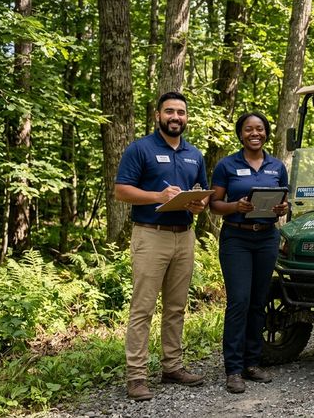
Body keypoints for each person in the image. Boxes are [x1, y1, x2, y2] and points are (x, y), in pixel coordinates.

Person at [115, 91, 209, 401]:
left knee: (176, 307)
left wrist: (198, 204)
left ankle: (172, 367)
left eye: (181, 112)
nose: (175, 117)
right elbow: (121, 191)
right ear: (158, 115)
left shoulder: (194, 154)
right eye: (169, 111)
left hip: (184, 235)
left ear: (186, 118)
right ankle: (137, 376)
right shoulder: (140, 149)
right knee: (142, 308)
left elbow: (201, 194)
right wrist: (158, 196)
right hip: (150, 234)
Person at [209, 112, 289, 394]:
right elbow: (214, 204)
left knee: (259, 301)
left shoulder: (276, 166)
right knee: (239, 302)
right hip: (237, 239)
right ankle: (233, 369)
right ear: (240, 134)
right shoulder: (226, 165)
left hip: (267, 237)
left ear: (266, 132)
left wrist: (283, 209)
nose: (254, 133)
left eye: (259, 129)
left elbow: (285, 201)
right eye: (248, 129)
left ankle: (252, 363)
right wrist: (235, 207)